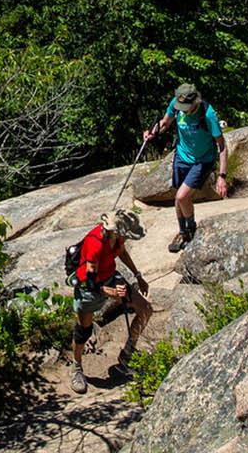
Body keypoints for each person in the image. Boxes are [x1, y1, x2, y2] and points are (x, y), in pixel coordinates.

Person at [69, 209, 151, 394]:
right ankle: (76, 367)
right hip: (89, 287)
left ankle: (127, 355)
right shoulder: (95, 243)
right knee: (84, 330)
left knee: (145, 310)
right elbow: (90, 281)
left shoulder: (117, 238)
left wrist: (138, 276)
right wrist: (111, 293)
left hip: (110, 277)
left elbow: (121, 253)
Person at [145, 83, 228, 253]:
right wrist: (153, 132)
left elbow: (222, 145)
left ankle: (191, 228)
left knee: (182, 196)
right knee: (178, 198)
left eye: (185, 107)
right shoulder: (176, 105)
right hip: (182, 156)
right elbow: (165, 123)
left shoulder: (207, 114)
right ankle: (183, 233)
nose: (181, 110)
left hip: (202, 160)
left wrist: (222, 176)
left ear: (195, 102)